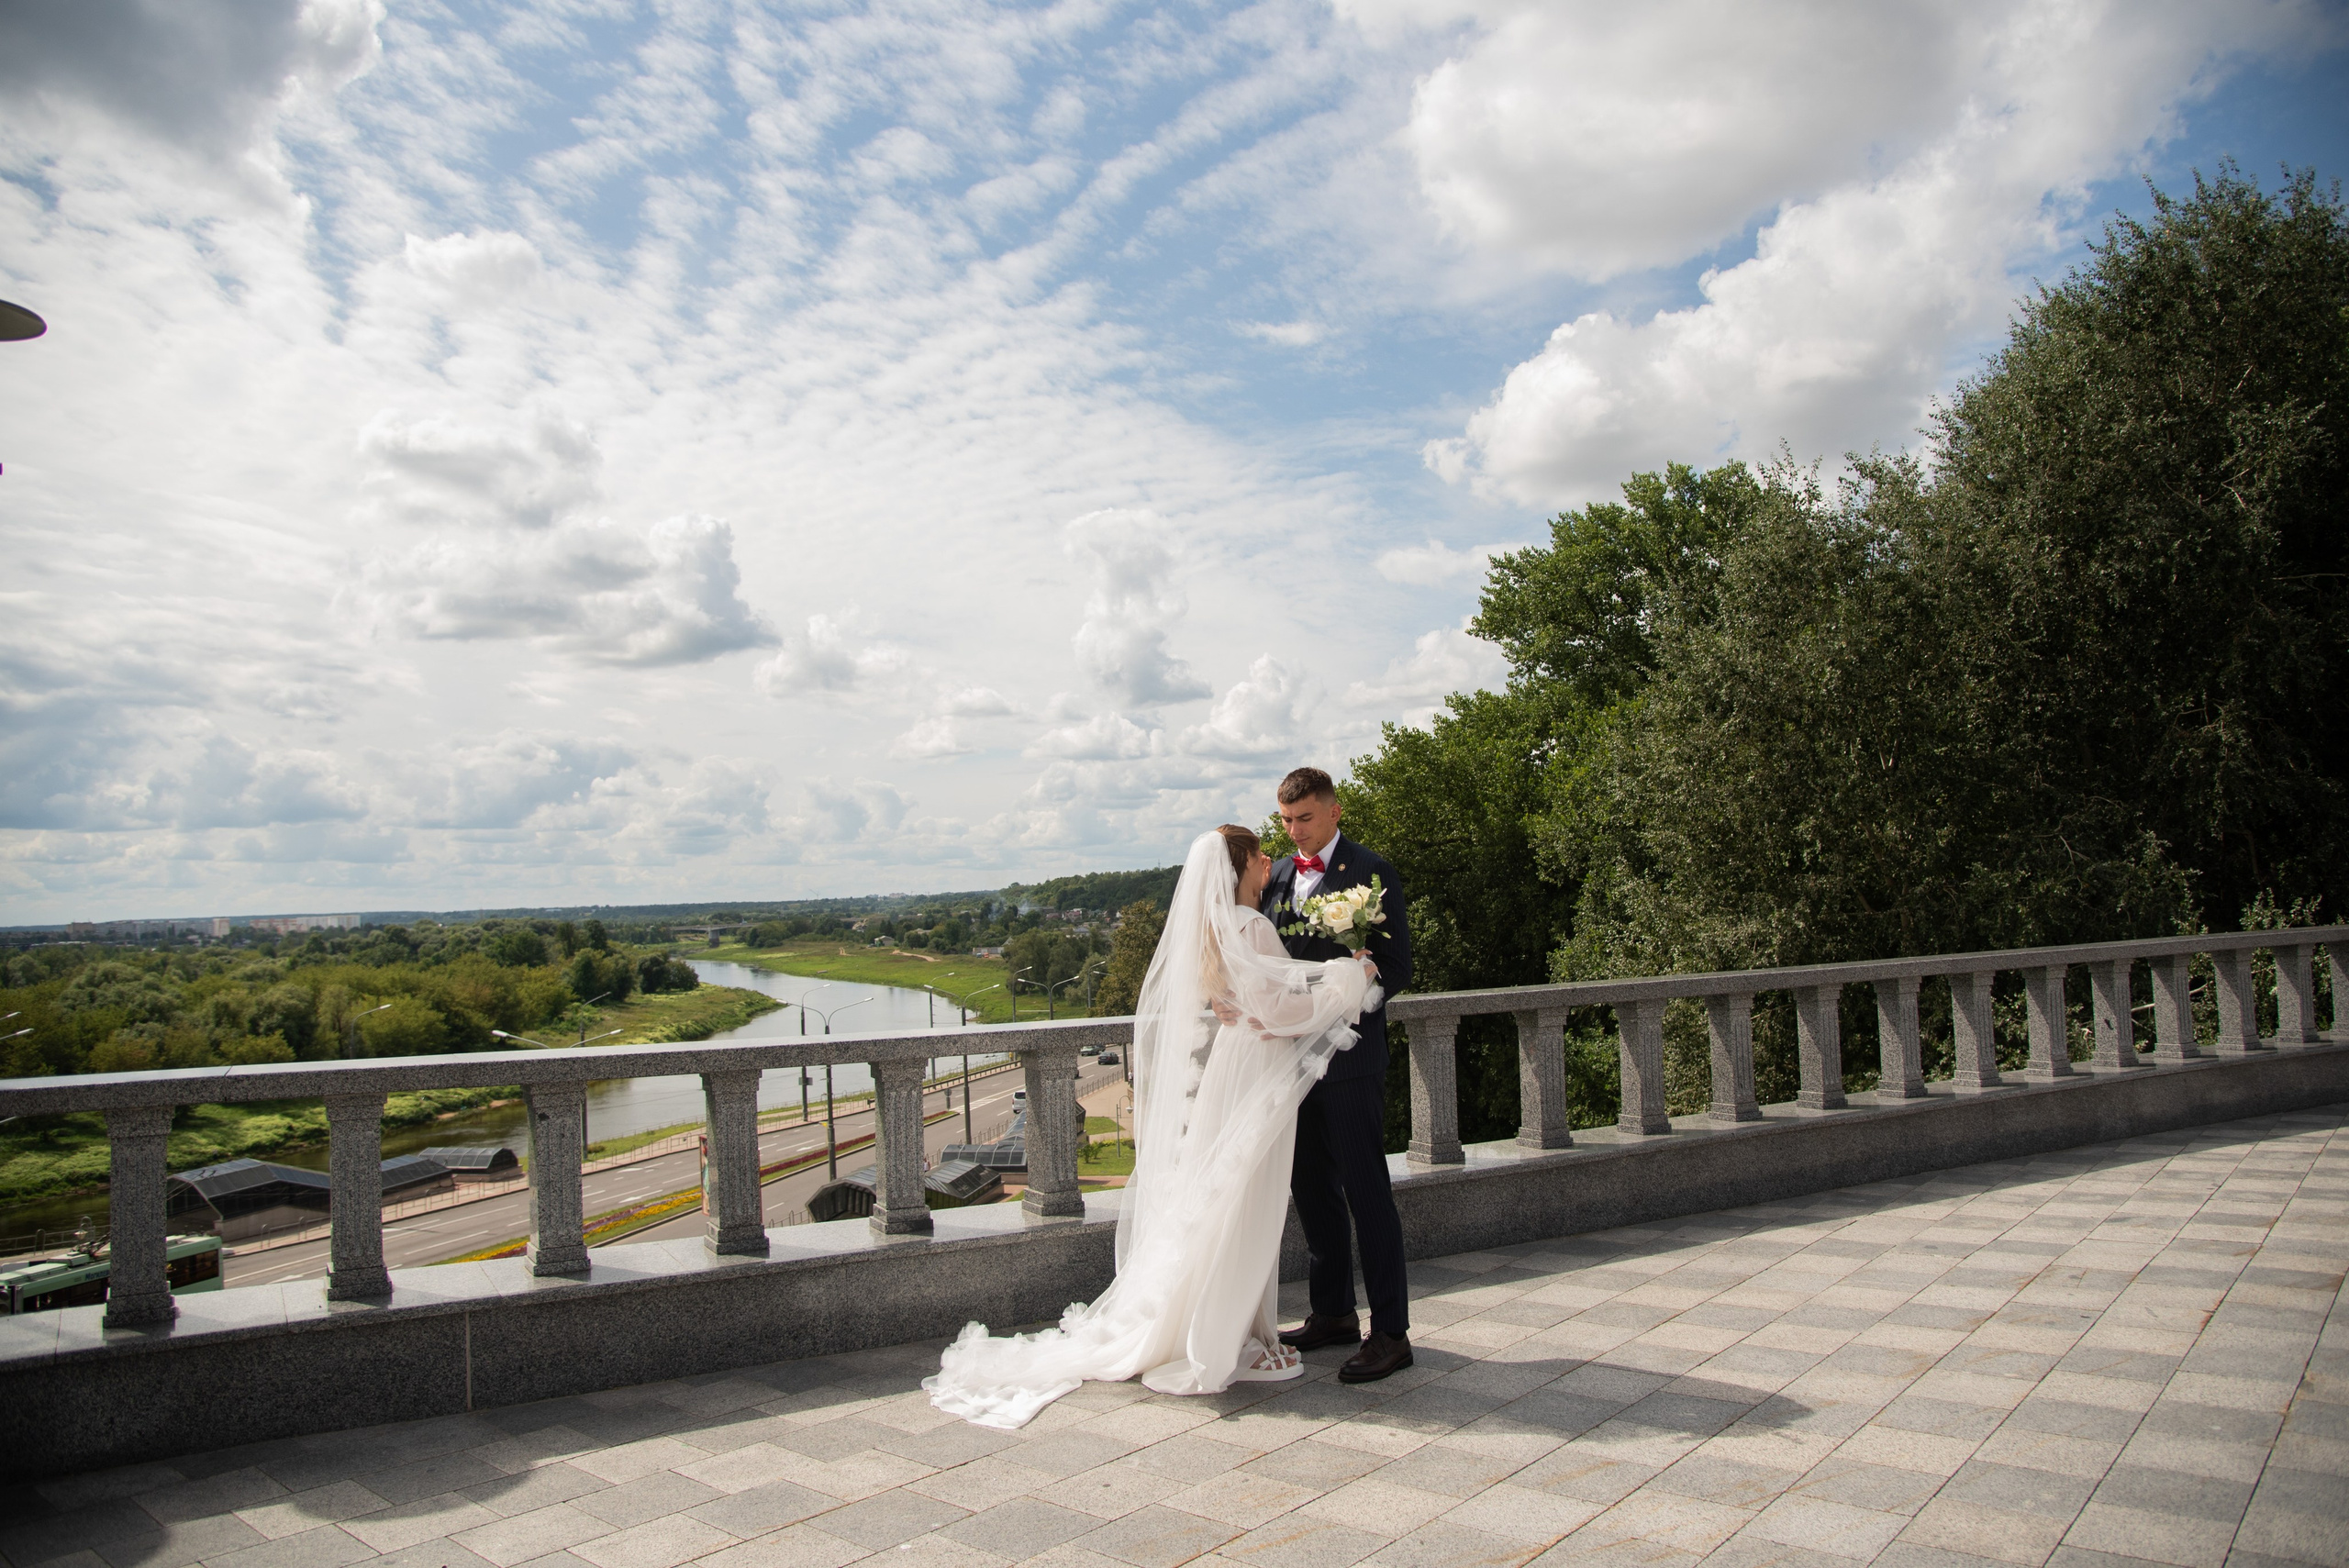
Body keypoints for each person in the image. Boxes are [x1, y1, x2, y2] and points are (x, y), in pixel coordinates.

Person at [924, 824, 1382, 1430]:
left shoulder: (1214, 932)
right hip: (1254, 1071)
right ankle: (1232, 1333)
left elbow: (1243, 1006)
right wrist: (1352, 980)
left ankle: (1236, 1324)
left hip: (1231, 1066)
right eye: (1257, 852)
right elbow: (1279, 1011)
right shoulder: (1253, 927)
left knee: (1227, 1199)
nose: (1268, 858)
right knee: (1249, 1203)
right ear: (1239, 866)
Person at [1261, 766, 1415, 1384]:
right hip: (1290, 1059)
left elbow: (1399, 964)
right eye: (1286, 820)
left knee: (1365, 1189)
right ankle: (1332, 1313)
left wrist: (1361, 976)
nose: (1294, 831)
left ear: (1334, 812)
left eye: (1304, 818)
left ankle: (1392, 1333)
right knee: (1310, 1188)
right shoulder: (1273, 876)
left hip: (1351, 1059)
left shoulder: (1373, 871)